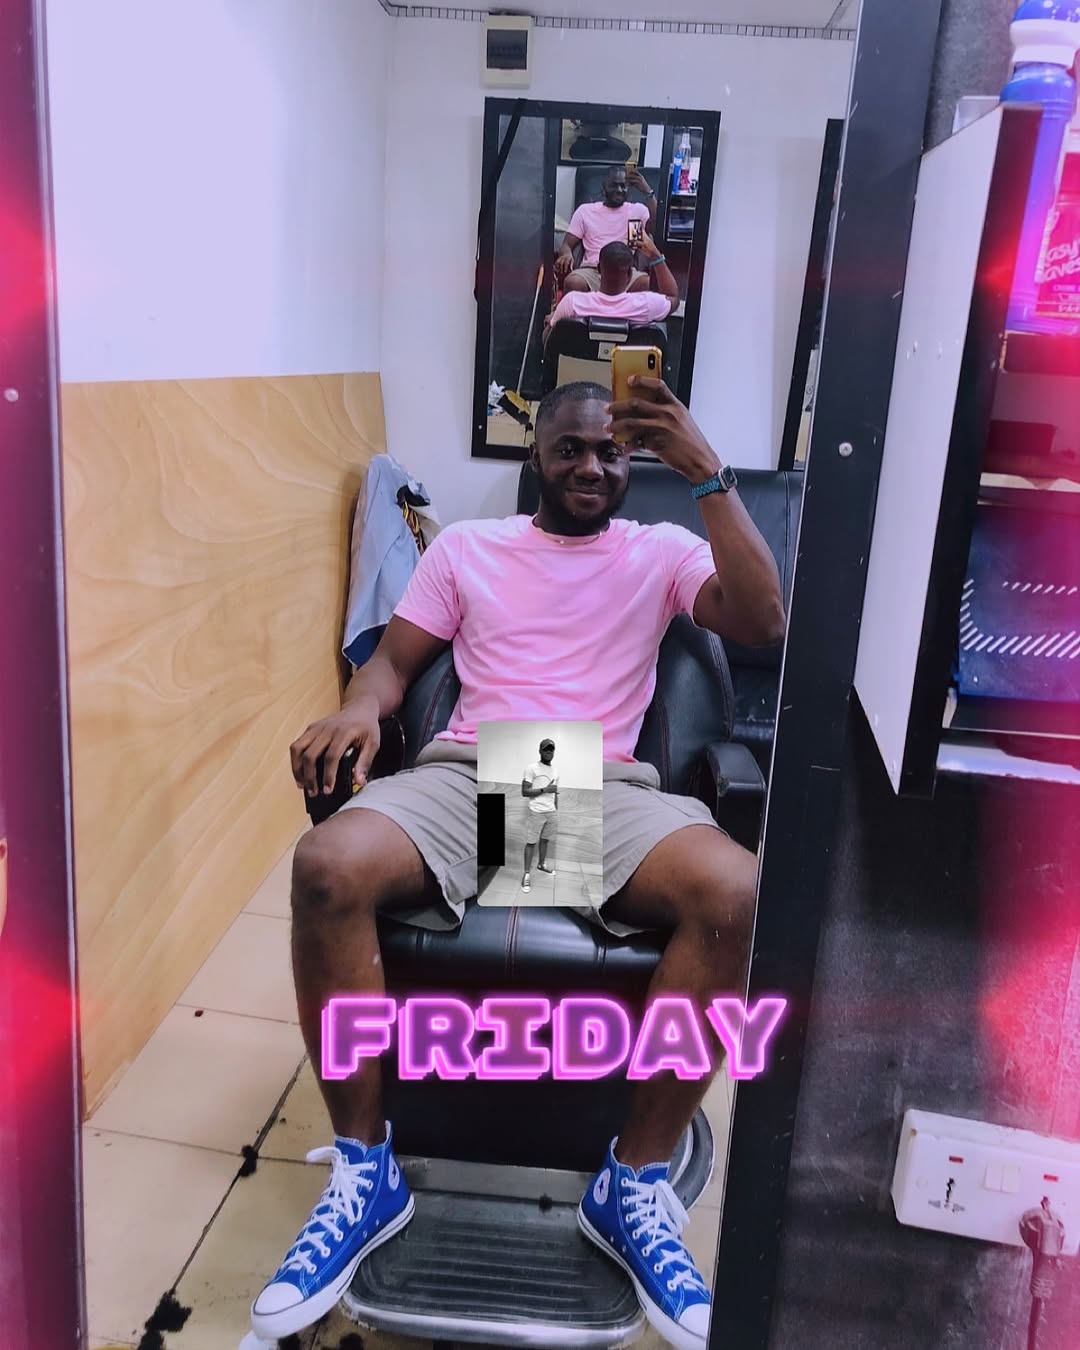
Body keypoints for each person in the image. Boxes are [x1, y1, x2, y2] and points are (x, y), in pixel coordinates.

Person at [252, 377, 786, 1349]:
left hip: (600, 785)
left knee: (736, 890)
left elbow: (765, 623)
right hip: (471, 775)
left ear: (633, 464)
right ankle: (366, 1172)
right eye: (570, 448)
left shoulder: (662, 550)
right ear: (534, 455)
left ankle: (633, 1183)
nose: (591, 466)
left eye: (611, 452)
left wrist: (708, 473)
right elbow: (392, 664)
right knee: (326, 864)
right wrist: (358, 707)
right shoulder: (467, 547)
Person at [545, 236, 678, 345]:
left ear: (598, 269)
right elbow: (673, 298)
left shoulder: (572, 303)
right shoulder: (647, 304)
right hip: (628, 370)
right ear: (630, 274)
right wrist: (656, 256)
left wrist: (553, 319)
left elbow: (548, 341)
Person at [556, 167, 657, 294]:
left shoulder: (637, 211)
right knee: (572, 283)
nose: (619, 190)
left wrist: (648, 192)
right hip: (593, 270)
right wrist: (566, 254)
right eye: (613, 185)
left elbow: (656, 228)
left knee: (646, 284)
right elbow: (566, 245)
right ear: (604, 188)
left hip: (626, 272)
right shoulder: (585, 211)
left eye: (623, 186)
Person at [521, 736, 558, 891]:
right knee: (531, 842)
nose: (549, 752)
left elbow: (554, 791)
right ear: (540, 751)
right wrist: (545, 789)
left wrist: (555, 807)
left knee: (545, 840)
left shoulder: (555, 770)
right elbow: (524, 791)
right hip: (536, 811)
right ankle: (526, 874)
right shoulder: (532, 768)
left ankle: (541, 864)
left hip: (551, 812)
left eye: (551, 749)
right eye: (546, 749)